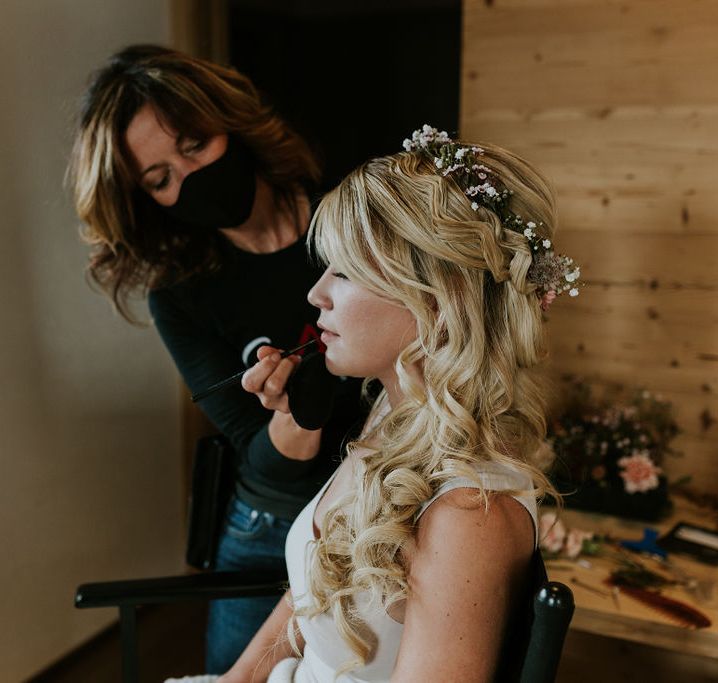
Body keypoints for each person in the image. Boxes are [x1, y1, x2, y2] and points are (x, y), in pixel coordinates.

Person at [163, 125, 580, 683]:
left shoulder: (468, 516)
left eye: (346, 272)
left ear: (437, 297)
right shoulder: (392, 414)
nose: (316, 296)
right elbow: (315, 596)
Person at [68, 44, 366, 674]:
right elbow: (252, 446)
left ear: (227, 120)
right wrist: (295, 412)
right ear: (147, 201)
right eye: (159, 179)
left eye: (193, 145)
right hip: (270, 523)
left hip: (381, 504)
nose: (187, 176)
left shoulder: (352, 212)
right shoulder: (179, 294)